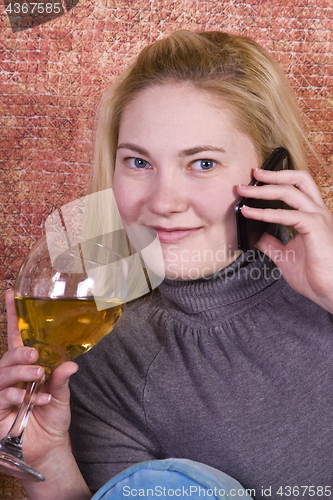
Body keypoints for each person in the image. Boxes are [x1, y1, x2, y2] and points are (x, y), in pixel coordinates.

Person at [2, 30, 333, 500]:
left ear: (270, 170)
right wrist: (49, 461)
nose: (162, 203)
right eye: (138, 162)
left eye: (202, 164)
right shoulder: (104, 348)